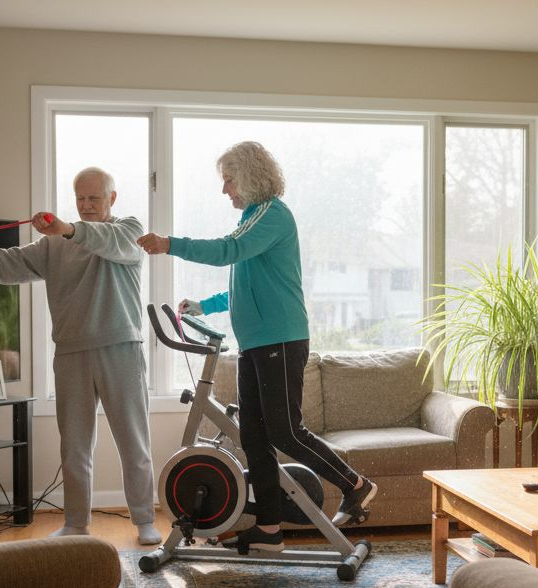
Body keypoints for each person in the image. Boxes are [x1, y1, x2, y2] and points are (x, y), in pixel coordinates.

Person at [137, 141, 376, 553]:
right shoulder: (252, 219)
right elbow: (244, 285)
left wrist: (170, 244)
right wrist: (204, 306)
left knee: (285, 430)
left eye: (229, 180)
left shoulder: (272, 215)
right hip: (255, 345)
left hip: (280, 341)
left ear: (248, 176)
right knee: (253, 436)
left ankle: (356, 484)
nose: (225, 190)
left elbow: (229, 251)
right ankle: (269, 529)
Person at [0, 167, 160, 544]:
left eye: (94, 198)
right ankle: (75, 523)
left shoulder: (129, 230)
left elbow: (110, 242)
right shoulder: (54, 245)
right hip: (70, 352)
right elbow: (6, 263)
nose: (86, 205)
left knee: (134, 442)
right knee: (74, 447)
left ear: (112, 199)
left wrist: (67, 228)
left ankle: (144, 519)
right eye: (80, 198)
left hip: (121, 348)